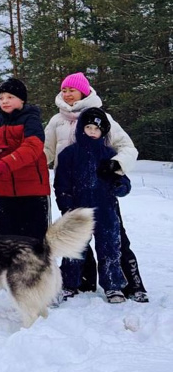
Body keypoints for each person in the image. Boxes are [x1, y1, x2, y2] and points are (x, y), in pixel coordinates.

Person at [44, 71, 147, 302]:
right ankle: (79, 283)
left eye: (72, 89)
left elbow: (128, 148)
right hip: (71, 188)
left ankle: (128, 284)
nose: (68, 94)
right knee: (75, 241)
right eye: (64, 90)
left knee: (115, 240)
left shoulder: (104, 117)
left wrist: (115, 166)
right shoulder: (57, 120)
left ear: (84, 91)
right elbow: (46, 151)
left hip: (101, 190)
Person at [54, 108, 130, 304]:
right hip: (78, 212)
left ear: (103, 131)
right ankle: (68, 285)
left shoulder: (110, 154)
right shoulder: (69, 154)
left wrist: (119, 183)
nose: (92, 131)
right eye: (88, 127)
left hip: (105, 211)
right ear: (81, 129)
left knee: (110, 249)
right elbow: (61, 184)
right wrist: (66, 205)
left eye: (97, 128)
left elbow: (124, 184)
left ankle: (113, 287)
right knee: (74, 249)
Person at [0, 78, 50, 240]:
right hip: (5, 192)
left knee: (34, 244)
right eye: (1, 98)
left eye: (10, 97)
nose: (4, 101)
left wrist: (4, 164)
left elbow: (33, 147)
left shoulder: (31, 119)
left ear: (21, 99)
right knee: (7, 243)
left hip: (32, 192)